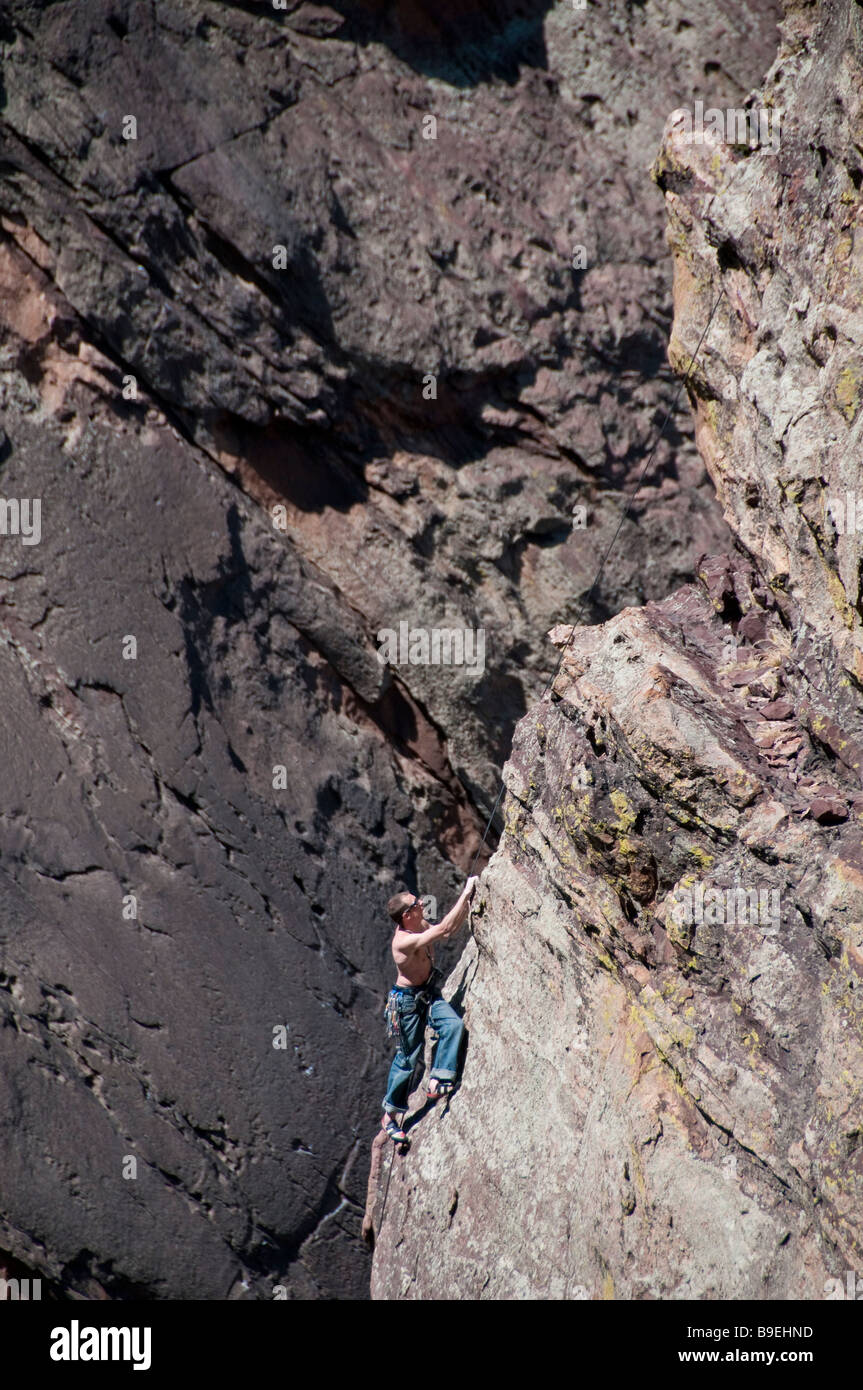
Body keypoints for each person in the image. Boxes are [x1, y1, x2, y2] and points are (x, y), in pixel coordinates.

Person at [381, 877, 478, 1145]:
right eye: (416, 903)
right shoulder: (402, 942)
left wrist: (468, 902)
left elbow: (447, 931)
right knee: (408, 1058)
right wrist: (467, 890)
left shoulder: (419, 924)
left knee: (454, 1026)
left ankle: (439, 1078)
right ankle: (390, 1115)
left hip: (427, 993)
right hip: (407, 1004)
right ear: (407, 914)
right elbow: (445, 926)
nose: (422, 902)